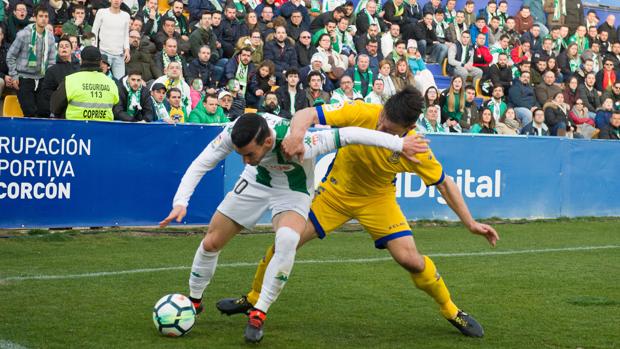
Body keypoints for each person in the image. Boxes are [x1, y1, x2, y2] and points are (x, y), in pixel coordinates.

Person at [216, 87, 499, 340]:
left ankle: (451, 310)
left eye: (388, 131)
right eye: (381, 122)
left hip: (378, 200)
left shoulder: (415, 148)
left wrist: (470, 223)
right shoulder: (364, 111)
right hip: (335, 194)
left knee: (410, 260)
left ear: (409, 128)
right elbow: (305, 114)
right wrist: (297, 136)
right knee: (285, 241)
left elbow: (445, 184)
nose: (380, 129)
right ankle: (253, 299)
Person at [160, 107, 432, 343]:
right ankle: (194, 302)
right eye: (240, 154)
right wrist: (181, 202)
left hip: (293, 191)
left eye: (249, 154)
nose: (243, 159)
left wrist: (399, 144)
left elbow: (350, 134)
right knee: (211, 242)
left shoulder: (307, 141)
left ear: (268, 141)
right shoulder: (235, 132)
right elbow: (201, 163)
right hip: (256, 182)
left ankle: (259, 313)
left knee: (288, 240)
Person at [6, 6, 56, 118]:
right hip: (24, 78)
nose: (43, 19)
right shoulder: (23, 34)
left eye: (46, 16)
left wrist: (48, 79)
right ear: (34, 17)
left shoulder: (50, 37)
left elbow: (52, 61)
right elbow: (10, 56)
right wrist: (14, 75)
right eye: (41, 16)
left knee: (45, 112)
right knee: (30, 112)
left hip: (43, 78)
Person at [50, 46, 119, 121]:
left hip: (75, 129)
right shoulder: (111, 82)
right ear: (100, 62)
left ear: (81, 60)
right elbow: (116, 106)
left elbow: (54, 107)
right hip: (103, 129)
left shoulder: (71, 80)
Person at [92, 0, 131, 79]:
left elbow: (126, 35)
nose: (116, 1)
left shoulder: (126, 15)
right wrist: (94, 48)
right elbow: (94, 31)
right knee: (101, 79)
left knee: (120, 82)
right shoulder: (101, 12)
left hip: (119, 55)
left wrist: (127, 50)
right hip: (104, 53)